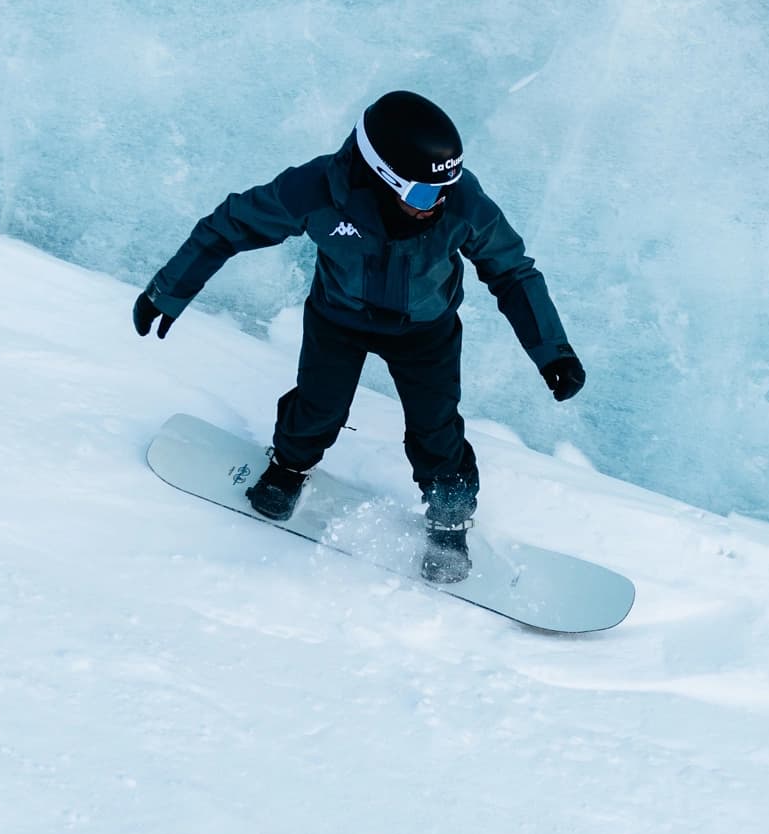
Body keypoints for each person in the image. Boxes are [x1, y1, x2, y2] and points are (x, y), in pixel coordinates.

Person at [132, 90, 585, 584]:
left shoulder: (461, 204)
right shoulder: (317, 191)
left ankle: (449, 515)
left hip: (425, 331)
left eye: (446, 188)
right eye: (423, 193)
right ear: (382, 176)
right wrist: (167, 291)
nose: (437, 204)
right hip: (337, 320)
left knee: (436, 430)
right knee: (318, 407)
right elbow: (229, 226)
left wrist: (551, 351)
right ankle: (288, 467)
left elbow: (513, 272)